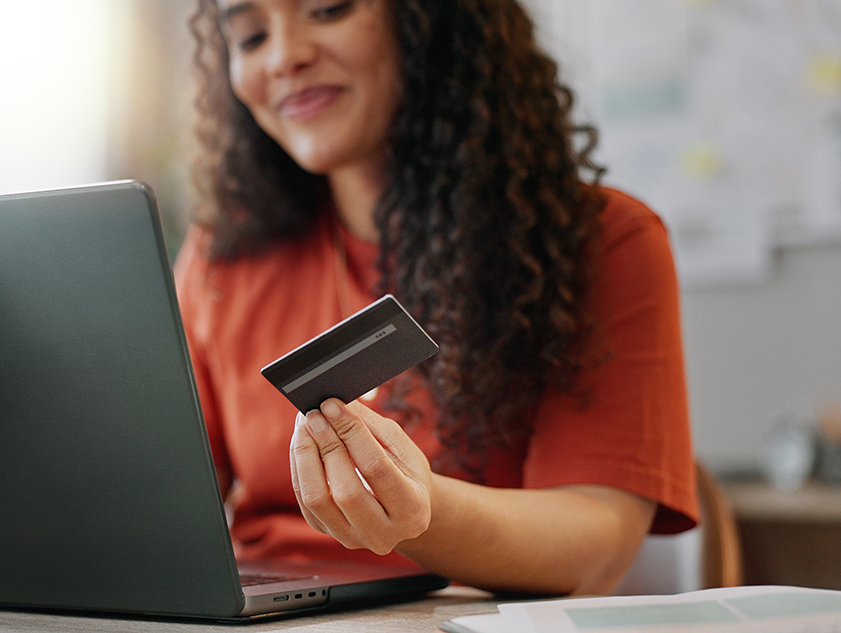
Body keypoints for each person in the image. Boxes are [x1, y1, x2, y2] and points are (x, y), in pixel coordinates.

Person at [174, 0, 698, 596]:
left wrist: (419, 509)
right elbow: (165, 503)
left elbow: (595, 544)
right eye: (249, 37)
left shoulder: (601, 241)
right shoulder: (222, 255)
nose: (283, 56)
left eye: (327, 9)